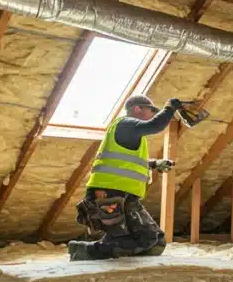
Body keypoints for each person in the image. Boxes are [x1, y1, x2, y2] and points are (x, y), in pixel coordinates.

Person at [68, 95, 183, 261]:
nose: (152, 114)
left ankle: (113, 254)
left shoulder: (131, 132)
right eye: (150, 110)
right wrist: (170, 108)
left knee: (156, 241)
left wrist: (154, 164)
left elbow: (126, 163)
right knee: (125, 240)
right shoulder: (125, 124)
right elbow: (155, 125)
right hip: (107, 193)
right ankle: (86, 252)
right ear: (137, 109)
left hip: (125, 195)